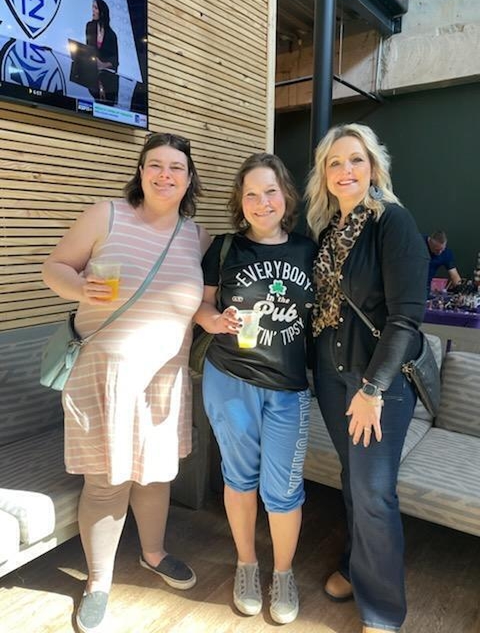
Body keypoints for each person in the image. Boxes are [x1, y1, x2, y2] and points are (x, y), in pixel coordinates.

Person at [42, 132, 210, 633]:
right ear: (140, 172)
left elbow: (195, 304)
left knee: (156, 475)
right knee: (106, 480)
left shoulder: (196, 237)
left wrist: (215, 319)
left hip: (164, 379)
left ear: (189, 179)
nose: (164, 175)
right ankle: (98, 581)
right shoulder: (107, 215)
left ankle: (153, 554)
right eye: (154, 165)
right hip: (105, 377)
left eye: (175, 167)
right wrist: (79, 285)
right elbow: (54, 267)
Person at [305, 123, 429, 633]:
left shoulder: (391, 222)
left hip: (376, 383)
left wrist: (373, 389)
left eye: (355, 159)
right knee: (352, 480)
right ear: (324, 174)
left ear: (373, 166)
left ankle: (382, 613)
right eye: (334, 162)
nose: (345, 170)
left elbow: (405, 317)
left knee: (374, 491)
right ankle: (357, 567)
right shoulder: (328, 232)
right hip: (332, 377)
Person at [194, 152, 317, 625]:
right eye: (251, 194)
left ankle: (282, 573)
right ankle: (247, 564)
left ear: (285, 195)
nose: (262, 202)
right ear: (239, 201)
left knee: (283, 490)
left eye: (270, 191)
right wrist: (214, 321)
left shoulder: (308, 251)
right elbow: (201, 308)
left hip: (288, 387)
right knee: (239, 479)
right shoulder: (224, 249)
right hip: (230, 380)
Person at [86, 0, 119, 104]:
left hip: (107, 79)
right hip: (91, 74)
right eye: (92, 7)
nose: (93, 10)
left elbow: (115, 61)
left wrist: (103, 64)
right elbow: (89, 49)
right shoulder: (90, 26)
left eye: (95, 8)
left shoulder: (112, 35)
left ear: (102, 12)